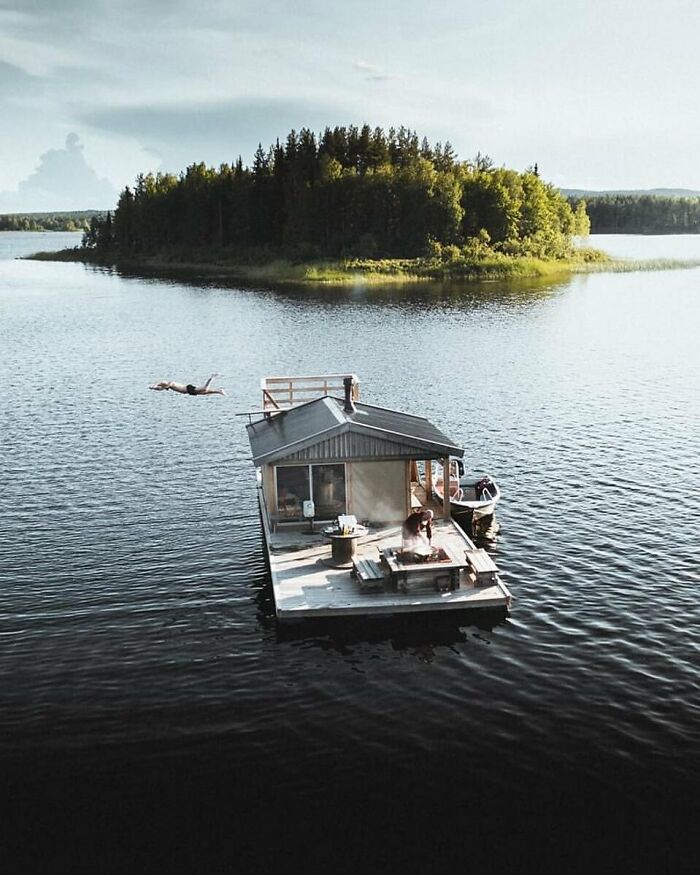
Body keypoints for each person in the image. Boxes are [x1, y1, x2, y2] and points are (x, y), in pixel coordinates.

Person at [149, 374, 225, 396]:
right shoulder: (169, 386)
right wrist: (153, 388)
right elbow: (160, 389)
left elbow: (164, 386)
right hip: (188, 391)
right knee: (205, 392)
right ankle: (219, 391)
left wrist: (157, 387)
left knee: (205, 389)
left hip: (188, 389)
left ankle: (211, 378)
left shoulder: (171, 383)